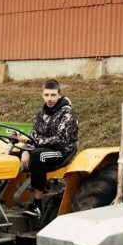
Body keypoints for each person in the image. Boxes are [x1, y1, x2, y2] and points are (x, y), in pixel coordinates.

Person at [18, 79, 79, 217]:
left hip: (62, 151)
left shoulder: (67, 113)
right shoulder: (41, 113)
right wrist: (25, 150)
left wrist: (34, 145)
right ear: (42, 95)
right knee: (15, 153)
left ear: (59, 94)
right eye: (46, 95)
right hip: (45, 148)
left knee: (37, 155)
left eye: (52, 95)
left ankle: (37, 205)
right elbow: (33, 133)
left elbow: (60, 141)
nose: (49, 99)